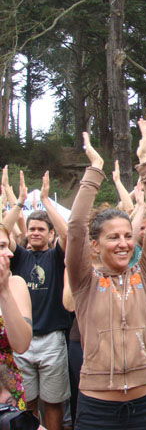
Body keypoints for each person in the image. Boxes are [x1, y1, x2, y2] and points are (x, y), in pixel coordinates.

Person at [65, 120, 146, 429]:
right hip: (97, 408)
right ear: (95, 245)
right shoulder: (84, 281)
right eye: (113, 237)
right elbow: (75, 228)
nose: (124, 243)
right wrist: (94, 170)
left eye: (128, 236)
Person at [2, 169, 71, 430]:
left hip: (52, 338)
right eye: (31, 229)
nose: (35, 233)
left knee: (53, 402)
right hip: (23, 341)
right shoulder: (19, 256)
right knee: (26, 402)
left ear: (51, 234)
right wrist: (19, 201)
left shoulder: (57, 257)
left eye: (41, 229)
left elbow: (68, 235)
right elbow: (3, 231)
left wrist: (45, 200)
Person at [0, 224, 32, 412]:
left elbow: (21, 344)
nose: (10, 253)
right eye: (1, 247)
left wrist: (4, 292)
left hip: (7, 393)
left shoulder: (16, 284)